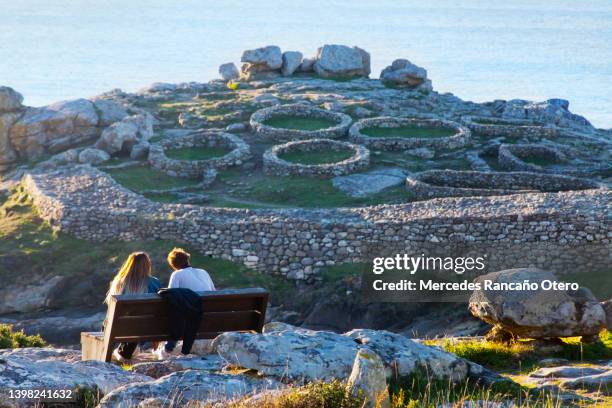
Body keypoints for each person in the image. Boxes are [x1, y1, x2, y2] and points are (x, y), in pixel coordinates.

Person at [154, 247, 215, 359]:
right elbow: (214, 293)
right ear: (187, 260)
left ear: (173, 265)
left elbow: (171, 298)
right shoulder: (203, 272)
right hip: (208, 317)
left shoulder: (177, 274)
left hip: (190, 319)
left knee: (176, 311)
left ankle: (169, 347)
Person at [105, 251, 160, 362]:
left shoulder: (119, 281)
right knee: (137, 322)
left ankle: (121, 353)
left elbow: (111, 308)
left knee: (129, 322)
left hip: (120, 326)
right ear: (147, 265)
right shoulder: (154, 282)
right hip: (148, 327)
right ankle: (125, 352)